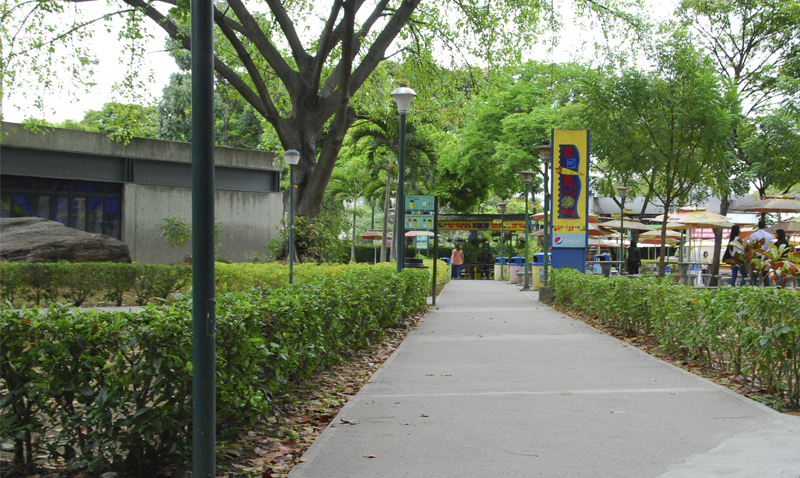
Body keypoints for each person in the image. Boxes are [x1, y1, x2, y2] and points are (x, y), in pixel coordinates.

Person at [749, 219, 775, 286]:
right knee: (765, 275)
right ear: (765, 226)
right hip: (765, 256)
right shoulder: (769, 236)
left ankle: (753, 289)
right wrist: (764, 255)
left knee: (754, 275)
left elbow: (751, 246)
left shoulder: (753, 235)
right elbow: (771, 247)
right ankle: (767, 289)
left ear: (758, 226)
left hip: (756, 256)